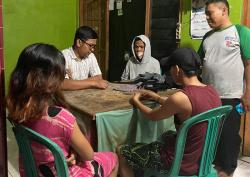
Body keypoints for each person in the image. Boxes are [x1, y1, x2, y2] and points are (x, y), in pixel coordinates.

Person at [6, 43, 118, 177]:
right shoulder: (61, 118)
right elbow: (88, 155)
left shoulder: (15, 108)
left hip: (34, 171)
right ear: (51, 79)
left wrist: (72, 150)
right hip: (63, 173)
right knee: (113, 158)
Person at [117, 47, 221, 177]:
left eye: (170, 68)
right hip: (202, 159)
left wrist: (136, 101)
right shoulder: (212, 91)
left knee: (122, 151)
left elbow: (152, 115)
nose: (170, 72)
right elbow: (182, 105)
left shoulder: (181, 97)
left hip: (181, 163)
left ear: (177, 69)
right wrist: (156, 97)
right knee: (166, 135)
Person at [198, 0, 250, 176]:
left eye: (209, 12)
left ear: (224, 10)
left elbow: (249, 64)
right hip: (208, 97)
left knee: (228, 140)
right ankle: (211, 170)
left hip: (231, 97)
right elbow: (200, 64)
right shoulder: (207, 37)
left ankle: (226, 171)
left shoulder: (241, 32)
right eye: (205, 13)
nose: (206, 17)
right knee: (209, 139)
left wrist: (248, 93)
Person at [62, 26, 108, 90]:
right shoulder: (63, 57)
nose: (92, 49)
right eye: (90, 46)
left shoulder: (91, 56)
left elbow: (98, 77)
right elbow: (64, 84)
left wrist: (73, 83)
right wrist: (93, 83)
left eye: (94, 46)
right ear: (79, 42)